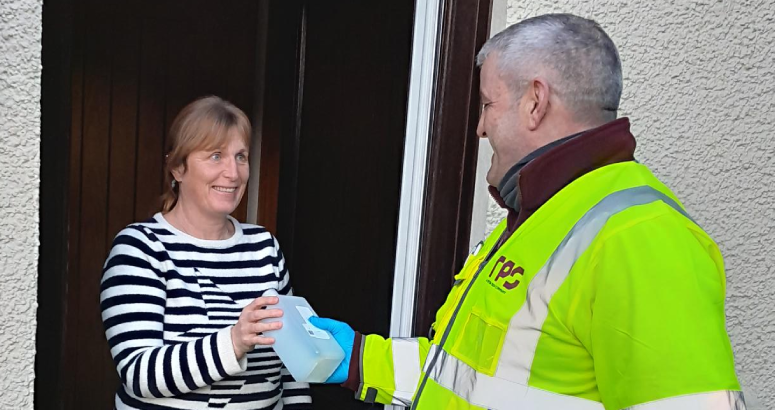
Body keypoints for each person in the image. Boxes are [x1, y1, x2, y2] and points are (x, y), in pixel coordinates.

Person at [309, 13, 746, 410]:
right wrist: (358, 360)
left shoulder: (641, 238)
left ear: (535, 102)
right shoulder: (544, 213)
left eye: (487, 104)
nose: (480, 127)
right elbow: (466, 375)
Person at [100, 96, 312, 410]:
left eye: (241, 156)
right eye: (215, 156)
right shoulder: (141, 248)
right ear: (178, 168)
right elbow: (139, 373)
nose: (233, 172)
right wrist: (234, 341)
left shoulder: (265, 247)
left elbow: (293, 360)